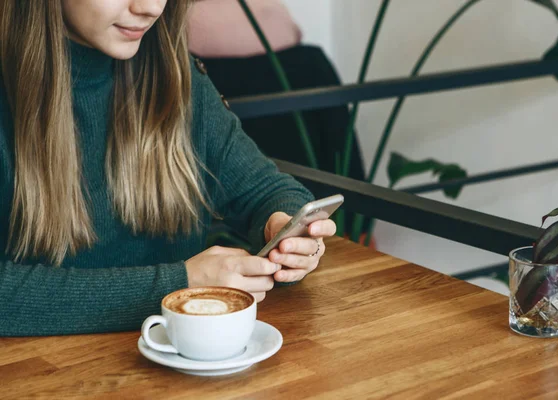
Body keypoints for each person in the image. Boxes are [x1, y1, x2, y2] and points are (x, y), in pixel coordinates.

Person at [0, 0, 336, 337]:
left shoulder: (173, 71)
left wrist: (284, 231)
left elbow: (267, 189)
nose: (151, 8)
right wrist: (179, 284)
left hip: (183, 365)